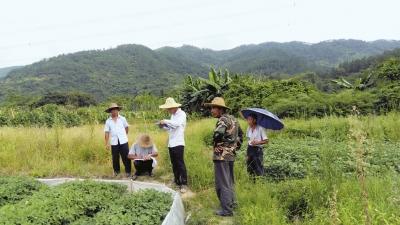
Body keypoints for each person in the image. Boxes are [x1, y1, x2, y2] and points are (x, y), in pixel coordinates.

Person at [204, 97, 243, 217]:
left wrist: (216, 145)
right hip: (230, 155)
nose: (211, 110)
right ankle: (232, 204)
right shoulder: (233, 119)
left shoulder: (222, 119)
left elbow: (218, 133)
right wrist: (234, 148)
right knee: (230, 181)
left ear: (220, 109)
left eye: (213, 108)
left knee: (223, 183)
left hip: (221, 156)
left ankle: (226, 210)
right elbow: (240, 135)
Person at [158, 97, 188, 193]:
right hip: (171, 143)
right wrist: (163, 126)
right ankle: (176, 181)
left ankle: (184, 183)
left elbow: (177, 124)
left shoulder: (181, 114)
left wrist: (165, 121)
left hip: (178, 142)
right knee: (174, 163)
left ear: (174, 107)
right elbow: (171, 128)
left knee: (180, 163)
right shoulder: (173, 115)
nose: (168, 110)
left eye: (169, 108)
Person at [104, 103, 131, 177]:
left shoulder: (122, 119)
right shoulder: (108, 121)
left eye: (115, 110)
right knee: (115, 157)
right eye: (112, 110)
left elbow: (126, 128)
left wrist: (124, 136)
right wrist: (106, 143)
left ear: (118, 110)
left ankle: (128, 172)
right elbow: (106, 132)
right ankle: (117, 172)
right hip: (114, 142)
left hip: (123, 141)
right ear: (110, 111)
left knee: (126, 156)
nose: (114, 111)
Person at [246, 113, 268, 178]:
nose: (248, 121)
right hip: (250, 149)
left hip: (257, 150)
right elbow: (248, 140)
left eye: (250, 119)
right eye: (248, 119)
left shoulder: (260, 128)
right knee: (249, 166)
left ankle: (260, 180)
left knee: (258, 166)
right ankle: (252, 182)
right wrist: (247, 153)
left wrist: (258, 142)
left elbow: (266, 141)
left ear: (254, 120)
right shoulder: (248, 128)